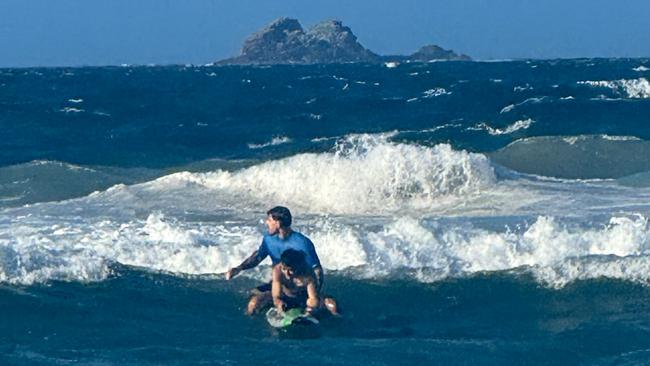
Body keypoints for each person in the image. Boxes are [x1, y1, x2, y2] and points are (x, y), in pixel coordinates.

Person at [226, 206, 338, 315]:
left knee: (332, 306)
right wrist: (239, 268)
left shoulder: (302, 243)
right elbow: (258, 257)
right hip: (279, 286)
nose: (266, 223)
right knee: (253, 303)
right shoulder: (268, 240)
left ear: (278, 223)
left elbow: (317, 270)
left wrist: (314, 295)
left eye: (269, 220)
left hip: (302, 288)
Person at [272, 249, 319, 314]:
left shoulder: (307, 274)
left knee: (331, 305)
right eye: (284, 269)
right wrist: (279, 304)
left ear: (297, 267)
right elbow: (276, 296)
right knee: (254, 303)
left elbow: (312, 298)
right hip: (285, 297)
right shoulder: (278, 270)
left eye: (290, 270)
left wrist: (309, 310)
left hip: (302, 298)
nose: (287, 273)